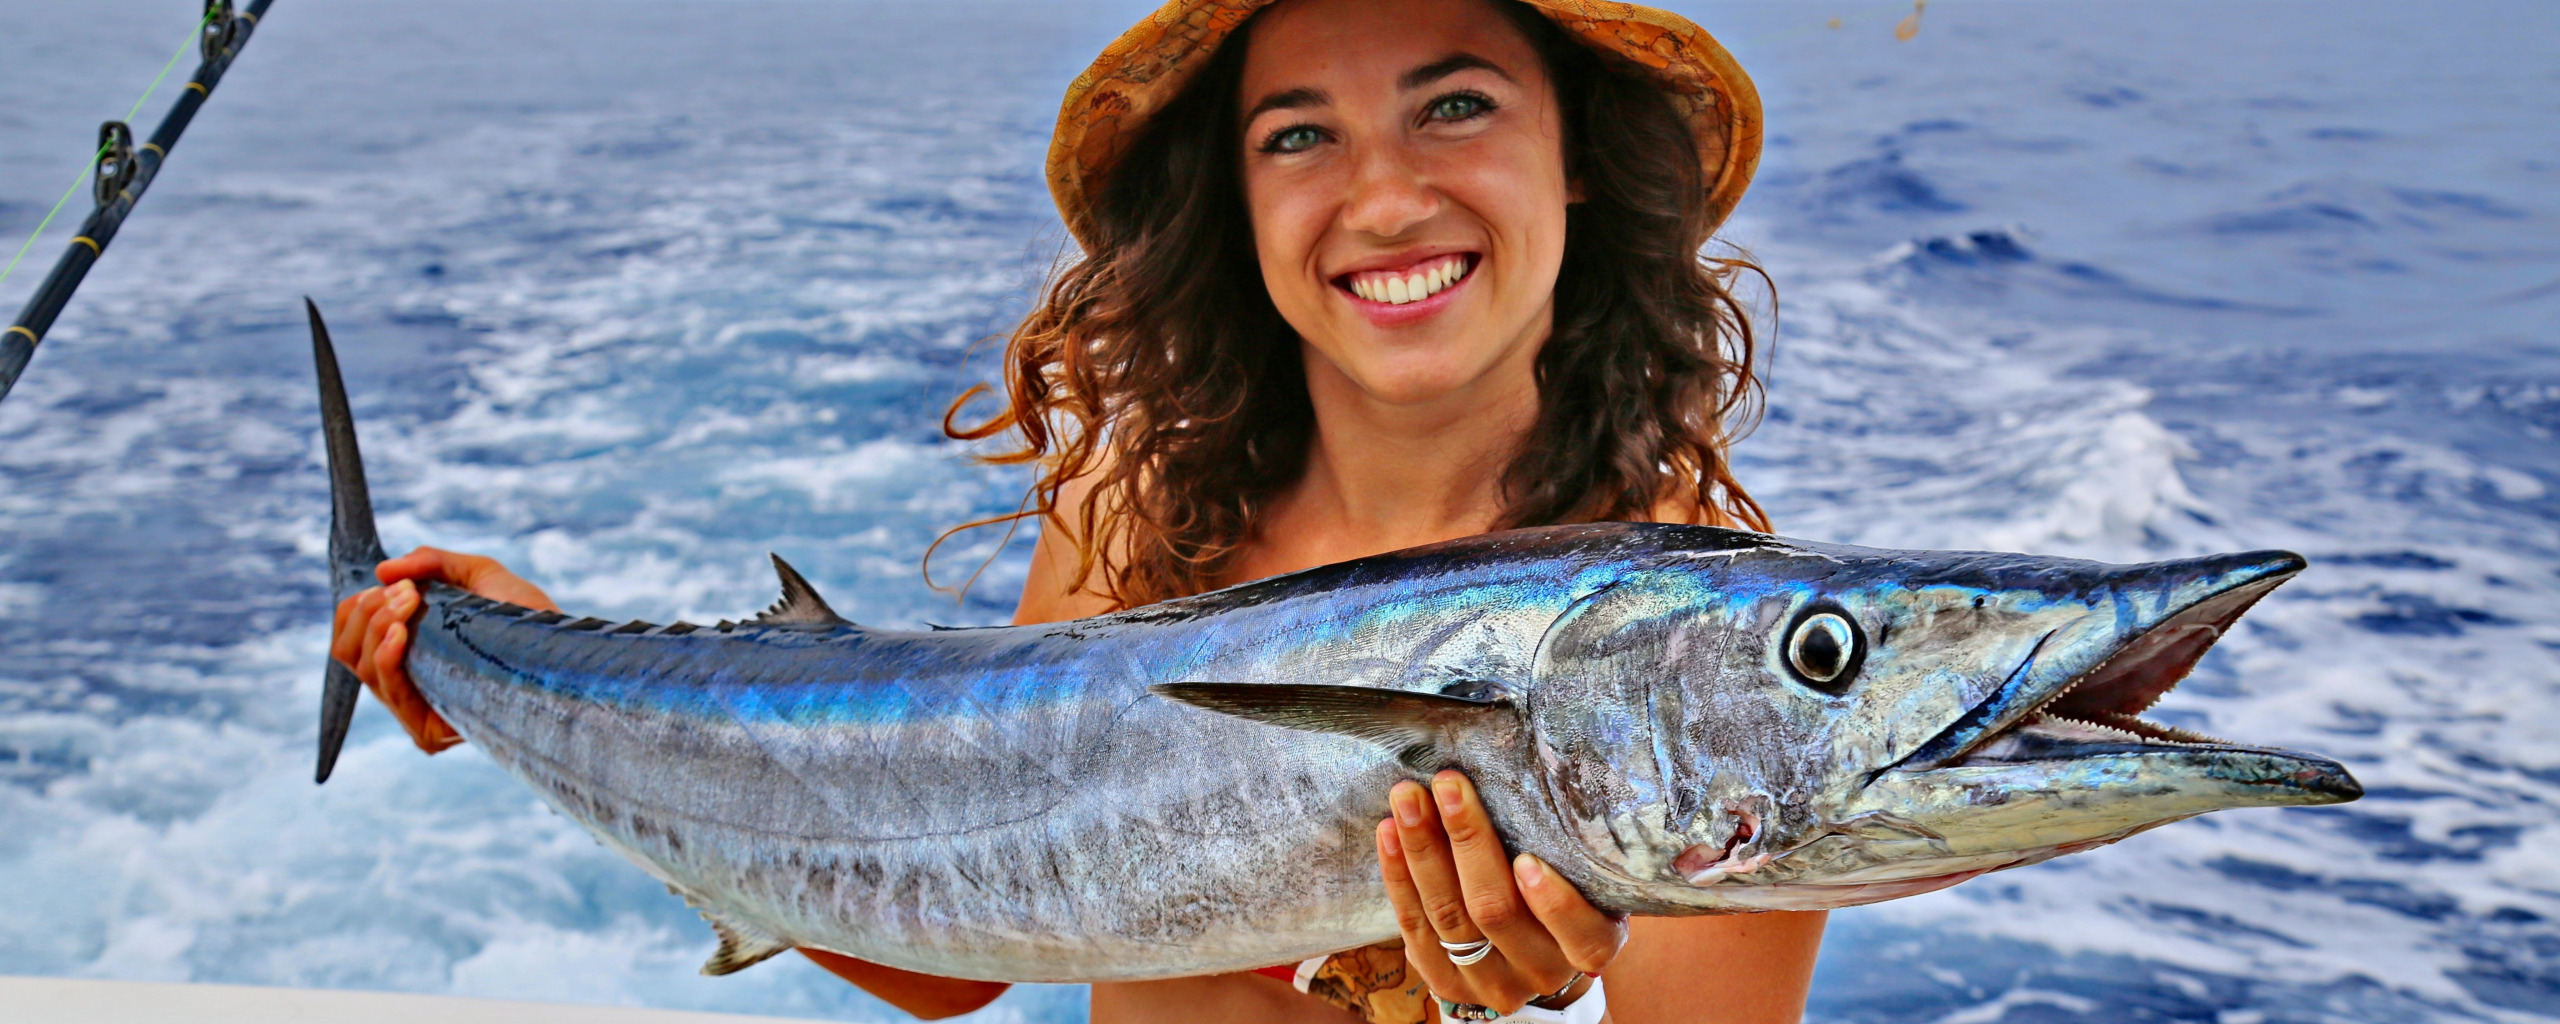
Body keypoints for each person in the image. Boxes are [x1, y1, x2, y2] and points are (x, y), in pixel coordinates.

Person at [330, 0, 1828, 1020]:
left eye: (1455, 104)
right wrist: (536, 685)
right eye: (1297, 134)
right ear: (1234, 211)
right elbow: (959, 945)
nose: (1382, 197)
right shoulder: (1144, 501)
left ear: (1575, 162)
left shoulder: (1712, 650)